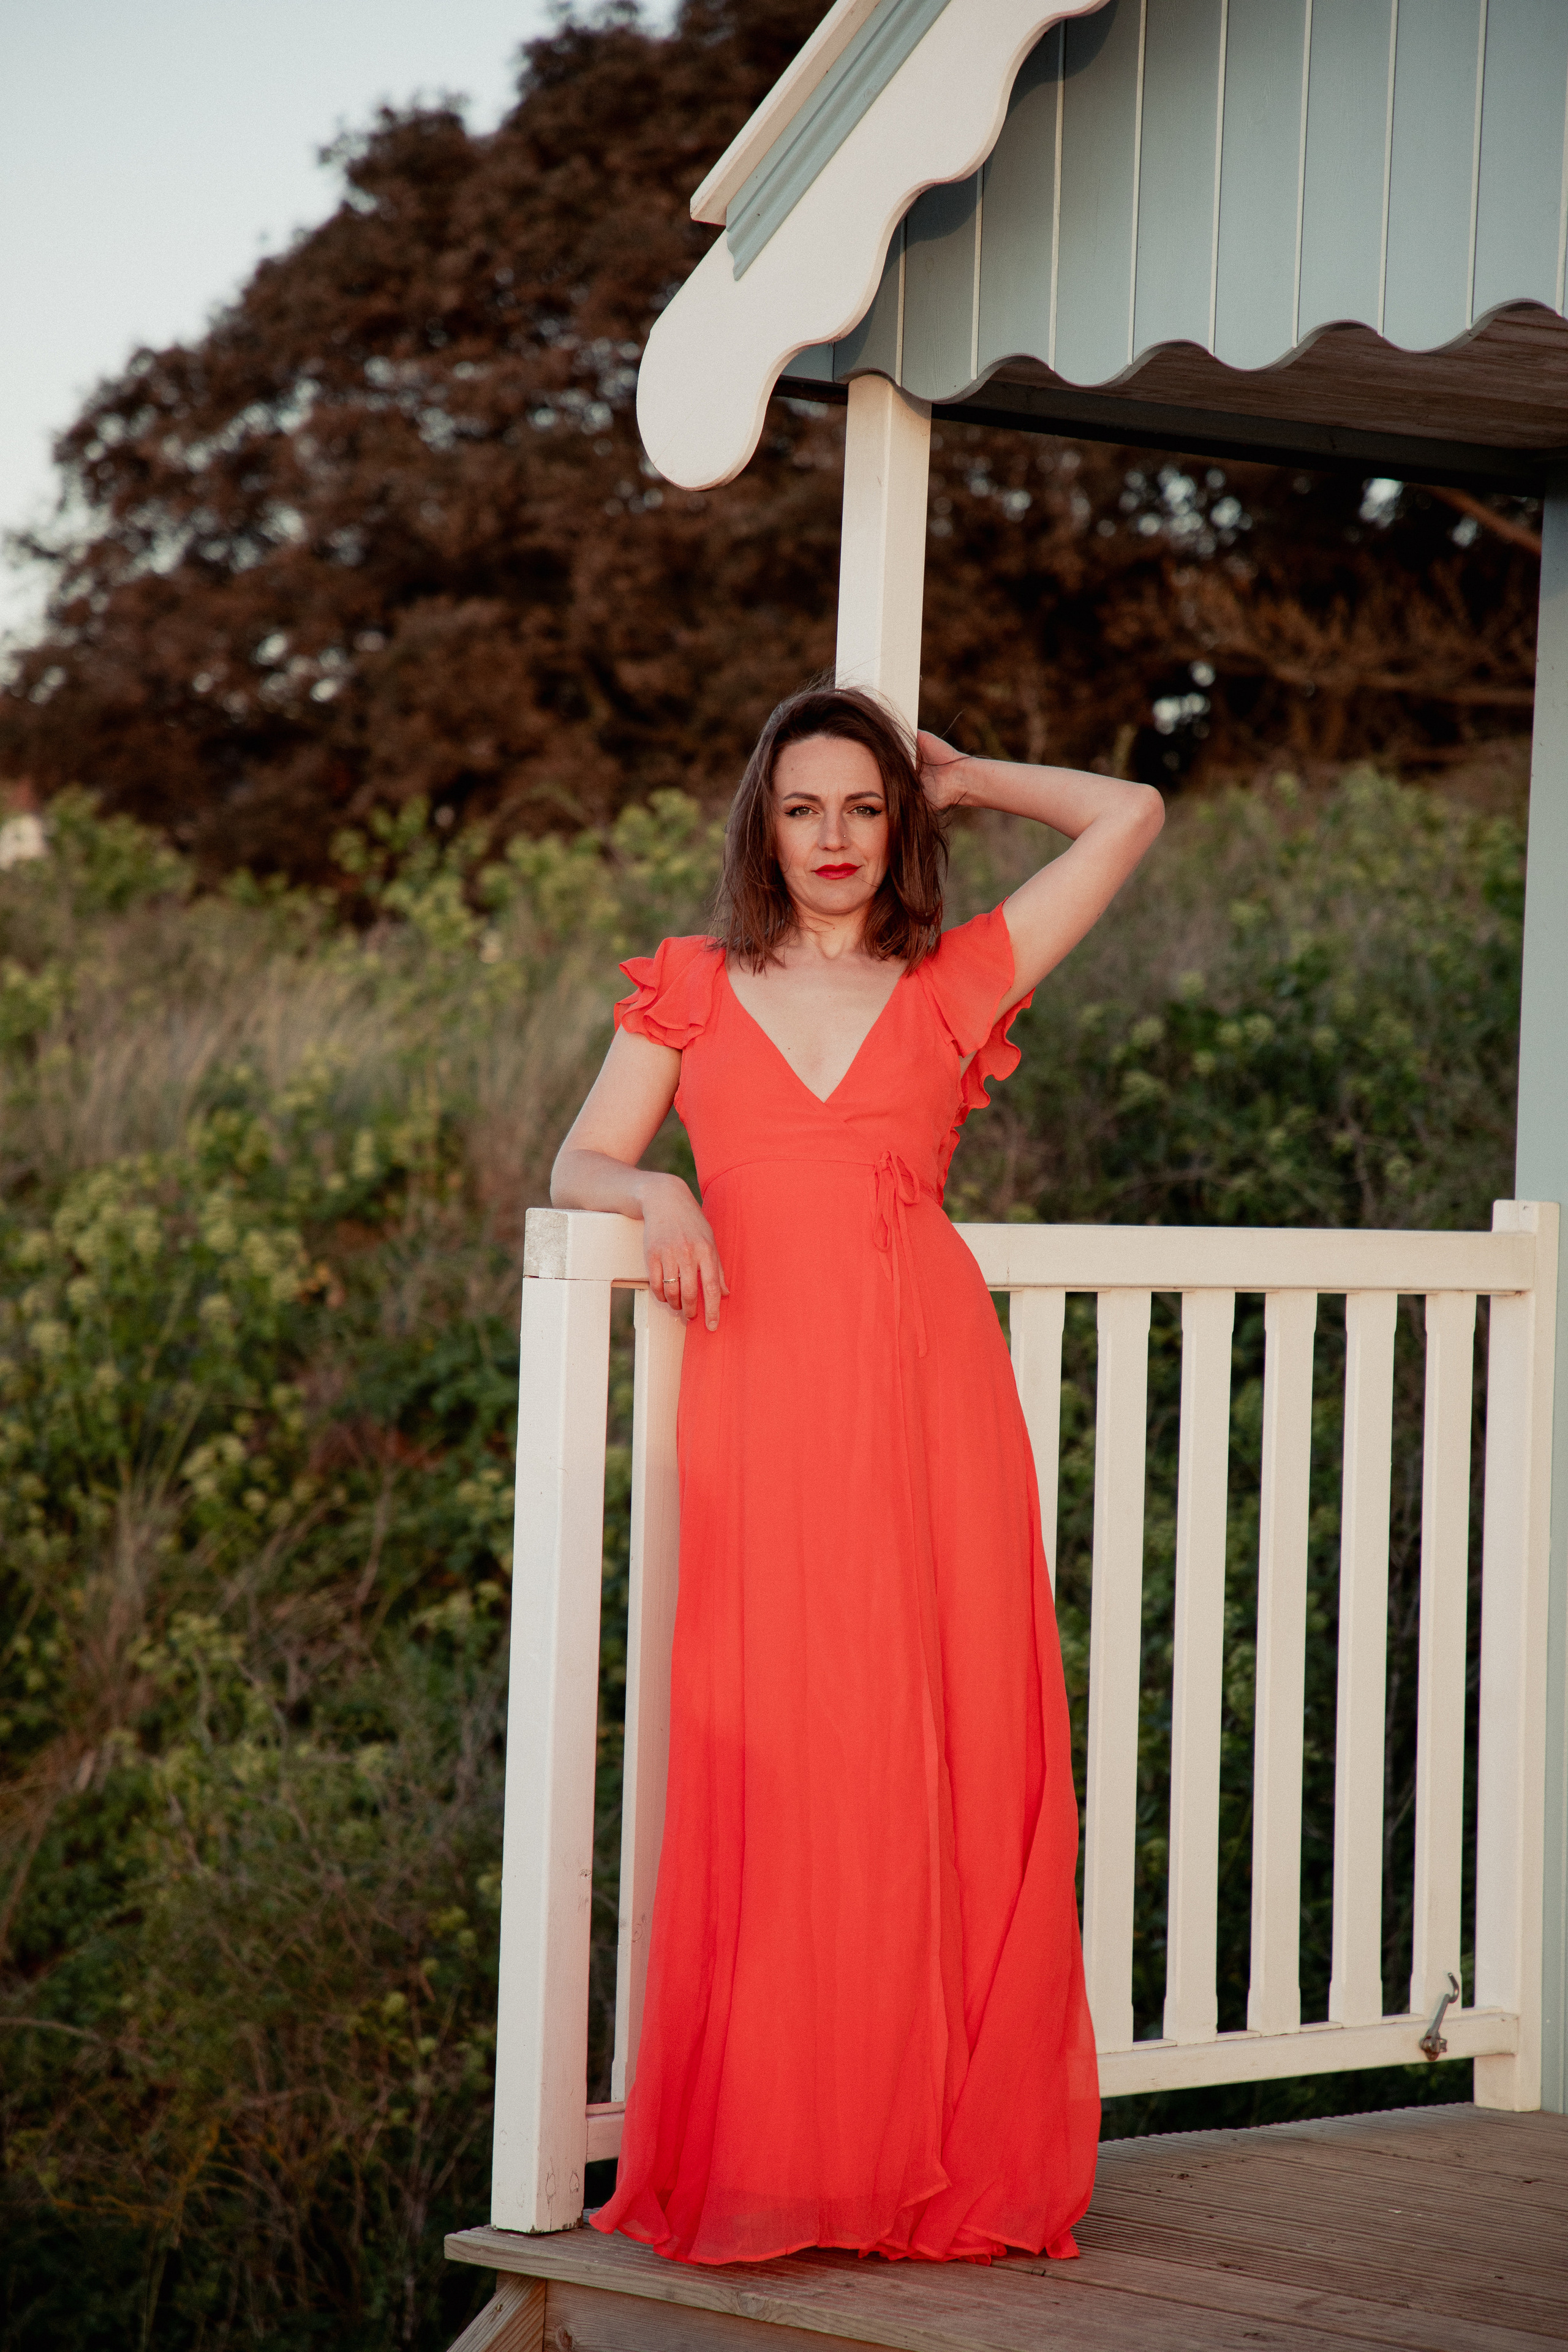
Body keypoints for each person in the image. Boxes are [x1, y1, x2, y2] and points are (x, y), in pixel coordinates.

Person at [552, 683, 1164, 2266]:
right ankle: (789, 2149)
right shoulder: (692, 986)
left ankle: (924, 2151)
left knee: (936, 1744)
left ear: (898, 827)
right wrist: (658, 1194)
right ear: (762, 824)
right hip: (763, 1404)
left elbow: (1131, 814)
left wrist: (968, 778)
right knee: (784, 1752)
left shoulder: (952, 982)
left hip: (927, 1401)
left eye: (865, 807)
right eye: (804, 807)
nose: (833, 837)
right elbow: (577, 1159)